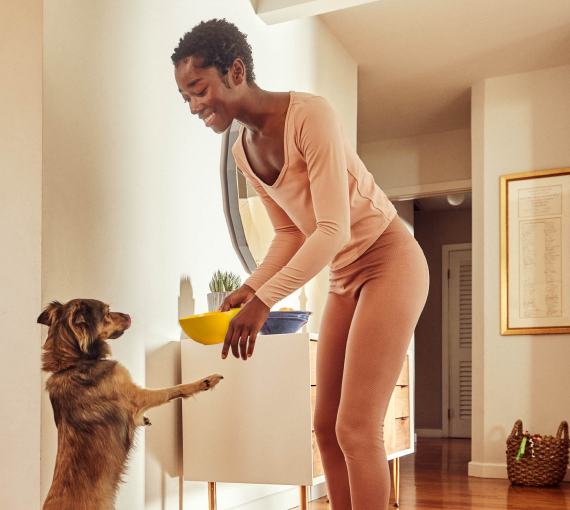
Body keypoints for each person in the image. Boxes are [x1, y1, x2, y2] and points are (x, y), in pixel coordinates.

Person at [171, 19, 429, 510]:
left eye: (199, 89)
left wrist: (266, 301)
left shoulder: (311, 115)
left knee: (356, 427)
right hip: (344, 277)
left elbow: (331, 229)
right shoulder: (244, 154)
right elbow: (291, 233)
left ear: (236, 70)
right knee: (324, 427)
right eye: (186, 97)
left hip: (390, 259)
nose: (194, 105)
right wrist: (251, 287)